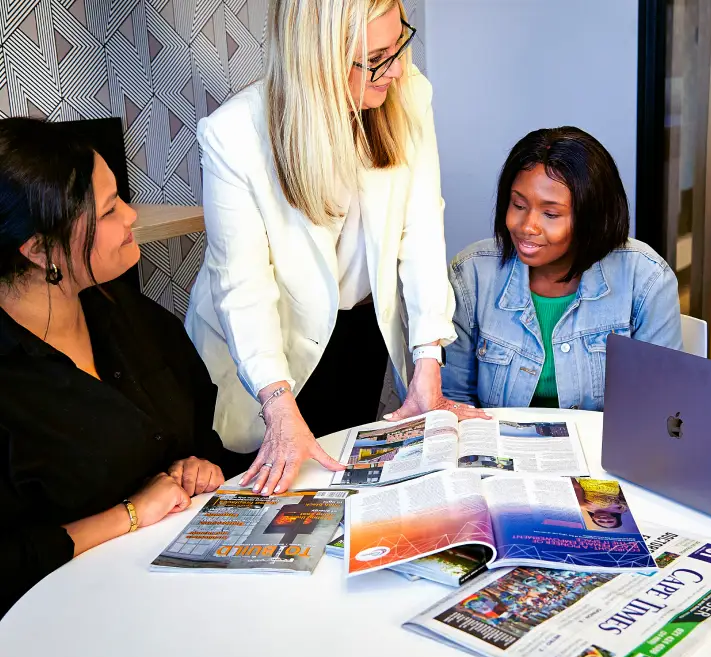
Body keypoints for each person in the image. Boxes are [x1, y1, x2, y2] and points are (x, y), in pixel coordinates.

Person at [185, 0, 484, 498]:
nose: (396, 70)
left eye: (399, 44)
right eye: (375, 58)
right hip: (264, 353)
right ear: (316, 59)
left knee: (338, 497)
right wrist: (278, 404)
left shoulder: (408, 95)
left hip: (358, 333)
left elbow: (423, 227)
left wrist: (428, 359)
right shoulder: (234, 135)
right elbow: (243, 287)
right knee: (263, 498)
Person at [0, 118, 247, 617]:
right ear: (39, 250)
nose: (132, 216)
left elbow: (199, 440)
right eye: (110, 209)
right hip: (67, 620)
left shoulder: (132, 319)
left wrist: (199, 467)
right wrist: (131, 513)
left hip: (188, 593)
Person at [442, 127, 682, 410]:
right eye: (518, 204)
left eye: (551, 214)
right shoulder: (471, 274)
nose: (527, 227)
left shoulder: (646, 277)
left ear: (592, 217)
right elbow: (453, 400)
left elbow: (660, 406)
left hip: (603, 451)